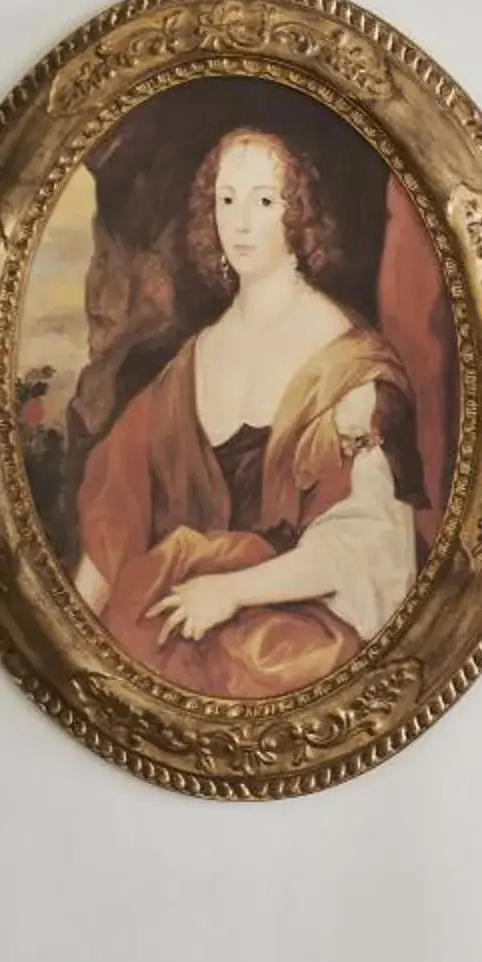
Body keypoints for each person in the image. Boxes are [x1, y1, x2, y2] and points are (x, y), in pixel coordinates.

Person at [72, 127, 423, 698]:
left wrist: (233, 592)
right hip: (183, 616)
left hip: (298, 638)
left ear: (298, 214)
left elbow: (372, 548)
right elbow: (116, 508)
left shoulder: (350, 367)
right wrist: (70, 649)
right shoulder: (189, 364)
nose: (240, 222)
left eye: (263, 201)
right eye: (226, 200)